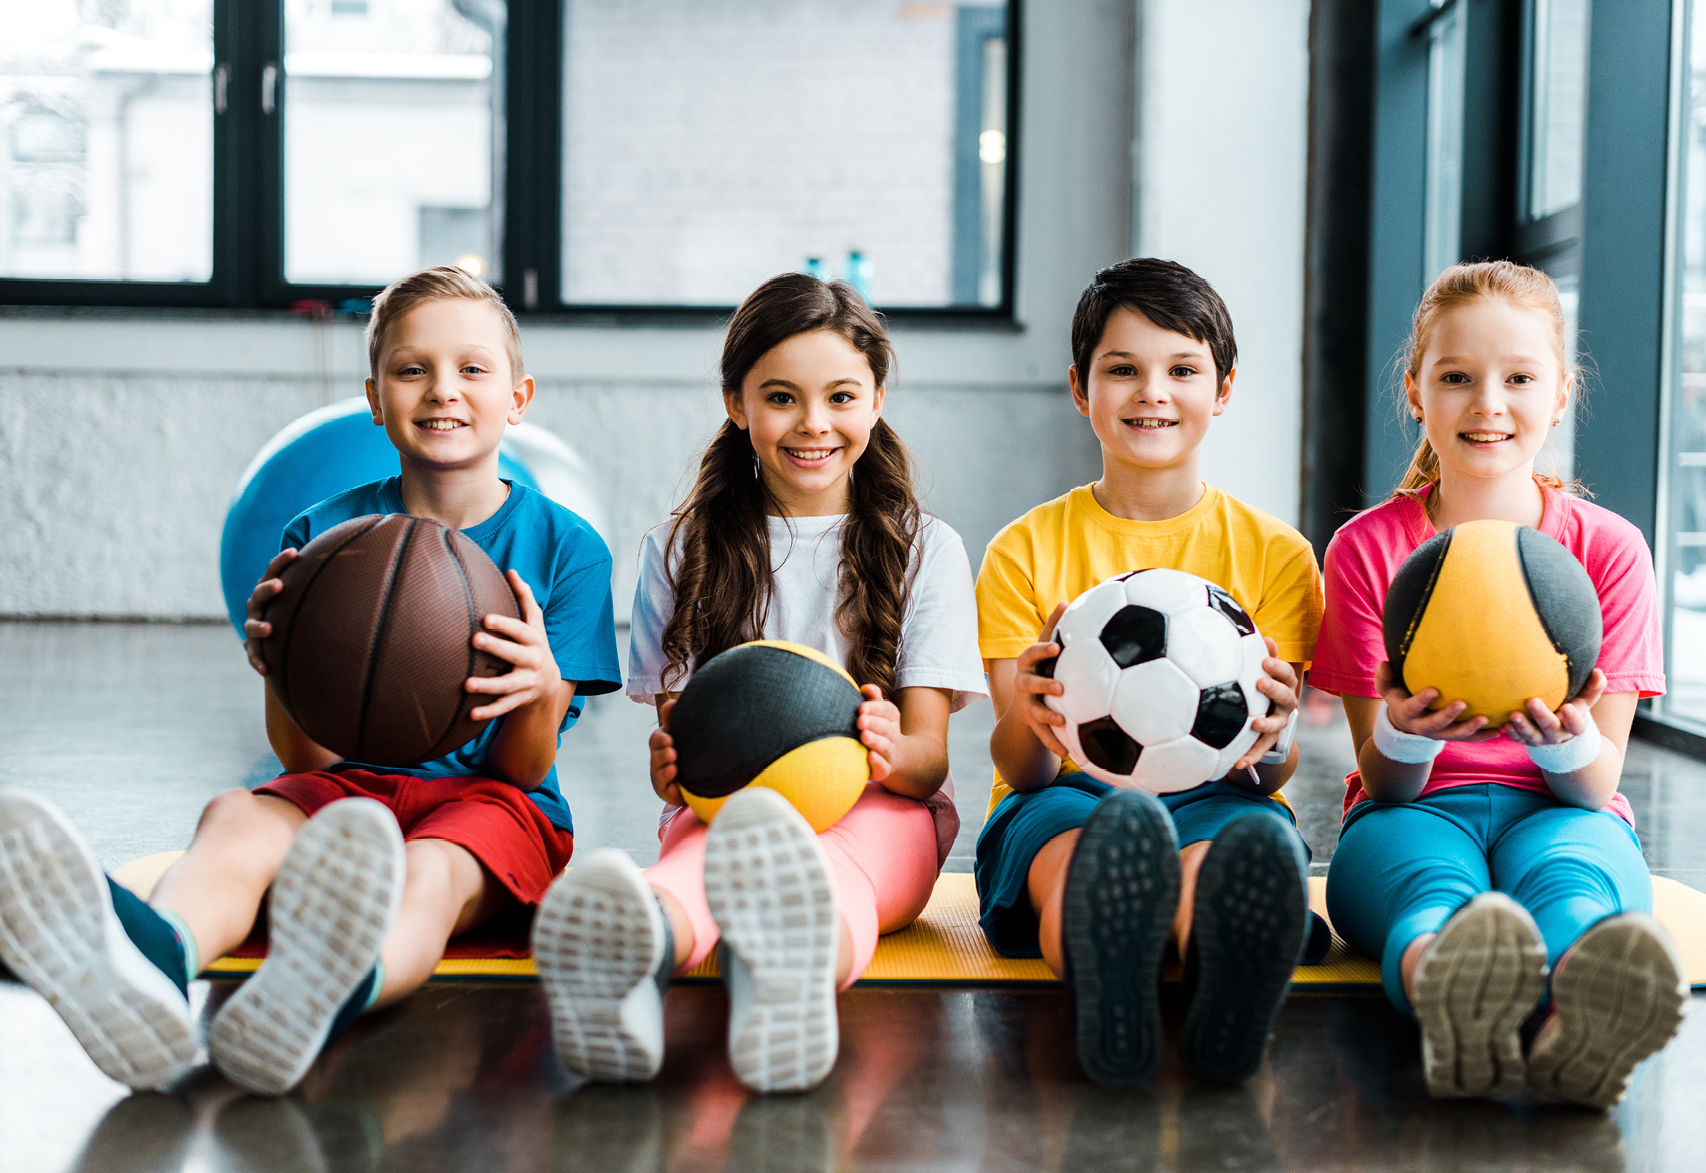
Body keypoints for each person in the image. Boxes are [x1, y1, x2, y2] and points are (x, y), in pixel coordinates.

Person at [0, 266, 620, 1096]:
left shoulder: (567, 549)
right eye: (412, 369)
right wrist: (278, 668)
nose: (443, 390)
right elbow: (308, 759)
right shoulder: (320, 536)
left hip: (494, 803)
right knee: (236, 819)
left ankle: (331, 990)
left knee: (429, 873)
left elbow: (516, 770)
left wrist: (540, 688)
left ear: (519, 395)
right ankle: (151, 963)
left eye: (473, 369)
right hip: (350, 788)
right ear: (374, 396)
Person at [531, 273, 986, 1093]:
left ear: (876, 399)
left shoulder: (926, 548)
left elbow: (925, 761)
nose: (814, 423)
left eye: (841, 395)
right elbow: (681, 750)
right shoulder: (680, 549)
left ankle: (794, 977)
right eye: (782, 397)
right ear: (737, 403)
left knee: (829, 868)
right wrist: (672, 768)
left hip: (884, 811)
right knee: (698, 870)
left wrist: (884, 751)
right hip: (729, 808)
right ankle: (632, 956)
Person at [1312, 260, 1688, 1108]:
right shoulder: (1366, 549)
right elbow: (1383, 777)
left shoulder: (1611, 549)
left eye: (1519, 377)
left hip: (1565, 807)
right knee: (1429, 893)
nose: (1488, 403)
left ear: (1560, 393)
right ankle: (1452, 1000)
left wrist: (1570, 737)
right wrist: (1410, 730)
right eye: (1456, 377)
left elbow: (1599, 780)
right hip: (1410, 809)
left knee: (1576, 888)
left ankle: (1573, 1022)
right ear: (1415, 391)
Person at [974, 257, 1323, 1087]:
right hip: (1064, 794)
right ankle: (1106, 976)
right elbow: (1022, 768)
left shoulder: (1277, 556)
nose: (1151, 392)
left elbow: (1273, 763)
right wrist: (1028, 710)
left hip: (1219, 791)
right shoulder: (1023, 552)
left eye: (1182, 369)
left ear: (1225, 387)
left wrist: (1271, 742)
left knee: (1229, 855)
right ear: (1079, 386)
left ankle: (1221, 979)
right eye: (1122, 369)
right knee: (1077, 852)